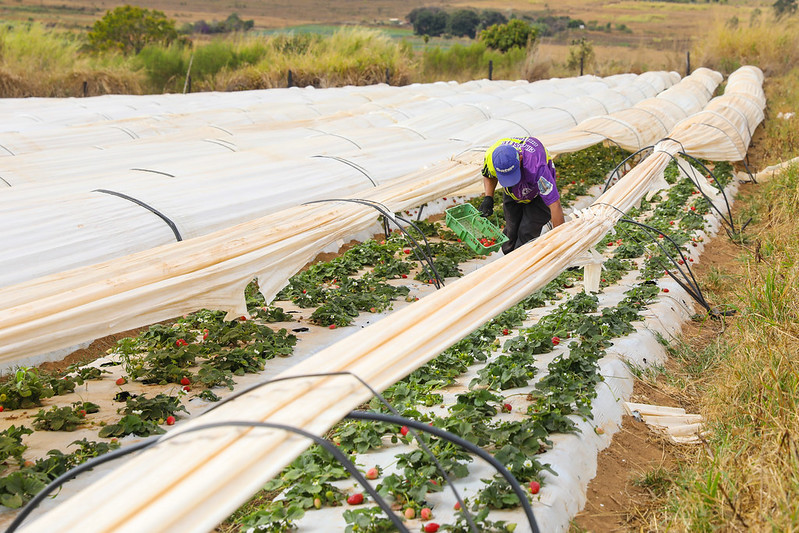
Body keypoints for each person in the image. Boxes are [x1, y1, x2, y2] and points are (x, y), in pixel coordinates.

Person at [478, 136, 565, 255]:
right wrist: (488, 197)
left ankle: (523, 265)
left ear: (520, 158)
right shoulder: (491, 157)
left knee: (526, 232)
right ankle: (510, 261)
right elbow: (489, 175)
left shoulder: (536, 167)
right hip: (513, 193)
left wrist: (563, 245)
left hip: (538, 193)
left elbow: (555, 205)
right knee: (510, 233)